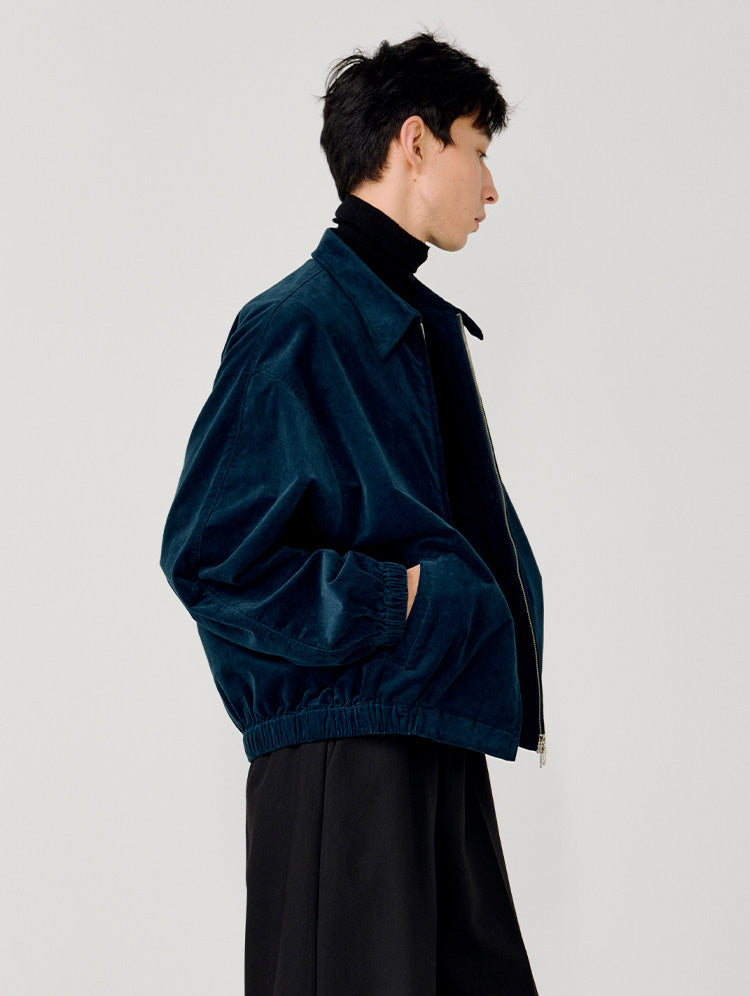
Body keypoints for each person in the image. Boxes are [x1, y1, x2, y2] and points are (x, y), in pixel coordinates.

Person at [160, 29, 547, 996]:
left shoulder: (408, 325)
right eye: (478, 149)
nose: (491, 187)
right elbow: (209, 557)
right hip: (346, 761)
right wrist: (400, 601)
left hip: (428, 727)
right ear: (415, 143)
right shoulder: (295, 326)